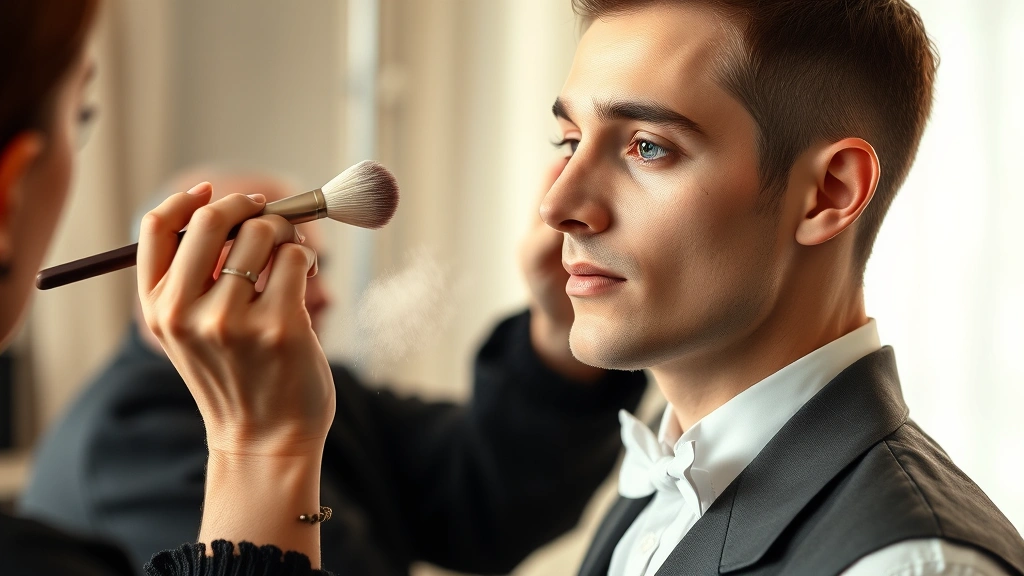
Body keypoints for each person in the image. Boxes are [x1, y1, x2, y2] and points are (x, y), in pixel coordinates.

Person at [536, 1, 1024, 575]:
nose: (558, 206)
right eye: (570, 141)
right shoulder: (661, 493)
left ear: (829, 192)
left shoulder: (908, 565)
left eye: (648, 146)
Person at [20, 167, 647, 574]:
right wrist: (269, 449)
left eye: (317, 265)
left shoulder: (323, 390)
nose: (323, 295)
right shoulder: (130, 437)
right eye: (286, 260)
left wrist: (558, 331)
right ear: (196, 266)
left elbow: (479, 494)